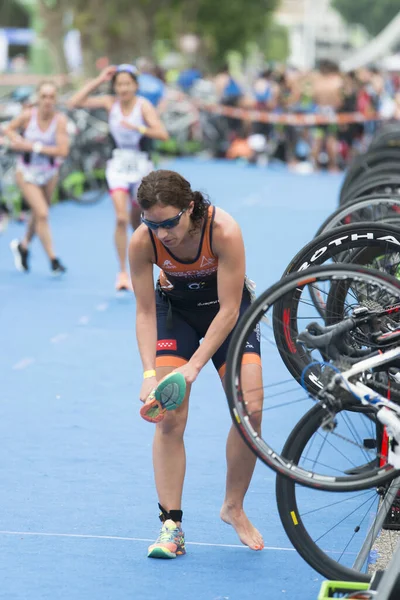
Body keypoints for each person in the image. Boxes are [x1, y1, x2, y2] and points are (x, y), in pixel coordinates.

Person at [128, 169, 264, 559]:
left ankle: (233, 506)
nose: (163, 233)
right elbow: (143, 312)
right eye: (152, 224)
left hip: (228, 313)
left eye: (170, 222)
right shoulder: (144, 242)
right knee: (170, 415)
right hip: (177, 316)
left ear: (191, 207)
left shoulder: (223, 230)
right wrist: (149, 373)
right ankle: (171, 526)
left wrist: (195, 367)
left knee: (250, 409)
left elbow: (230, 309)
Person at [67, 64, 169, 291]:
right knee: (121, 218)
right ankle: (123, 273)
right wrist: (99, 80)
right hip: (118, 166)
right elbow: (74, 102)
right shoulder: (109, 103)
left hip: (141, 165)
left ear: (135, 86)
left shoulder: (143, 107)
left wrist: (138, 128)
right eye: (119, 84)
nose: (123, 88)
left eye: (128, 84)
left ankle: (157, 266)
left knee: (142, 221)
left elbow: (162, 133)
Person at [5, 80, 69, 274]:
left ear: (56, 99)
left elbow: (62, 150)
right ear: (37, 98)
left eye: (51, 97)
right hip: (26, 172)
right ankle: (53, 260)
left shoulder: (60, 121)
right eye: (44, 96)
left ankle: (23, 246)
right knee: (42, 213)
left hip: (49, 173)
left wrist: (32, 146)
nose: (47, 101)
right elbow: (8, 129)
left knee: (37, 214)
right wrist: (16, 139)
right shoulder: (27, 116)